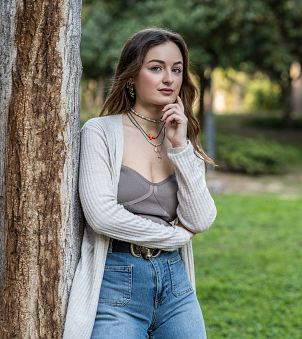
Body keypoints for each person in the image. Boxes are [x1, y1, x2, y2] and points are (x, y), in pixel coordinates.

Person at [63, 28, 216, 339]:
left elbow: (200, 219)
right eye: (156, 68)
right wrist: (173, 236)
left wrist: (181, 148)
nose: (169, 79)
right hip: (116, 284)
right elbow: (102, 216)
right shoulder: (99, 132)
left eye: (177, 70)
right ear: (131, 76)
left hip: (176, 286)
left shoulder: (182, 137)